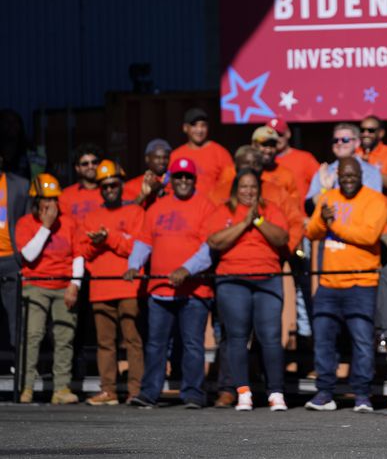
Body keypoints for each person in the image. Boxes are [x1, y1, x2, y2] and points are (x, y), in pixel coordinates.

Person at [125, 157, 216, 409]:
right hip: (159, 290)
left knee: (192, 344)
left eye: (188, 177)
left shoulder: (206, 206)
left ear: (194, 180)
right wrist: (133, 265)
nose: (183, 181)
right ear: (171, 180)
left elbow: (209, 249)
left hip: (194, 291)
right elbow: (144, 241)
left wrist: (186, 269)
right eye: (178, 176)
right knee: (155, 344)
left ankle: (193, 393)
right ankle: (149, 392)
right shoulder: (157, 207)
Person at [304, 157, 387, 413]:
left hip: (362, 282)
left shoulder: (375, 200)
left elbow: (368, 235)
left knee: (362, 341)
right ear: (337, 175)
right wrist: (322, 220)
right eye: (344, 175)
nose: (348, 179)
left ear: (360, 174)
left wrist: (334, 224)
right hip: (329, 283)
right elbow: (312, 232)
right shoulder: (328, 197)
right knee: (323, 340)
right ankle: (324, 393)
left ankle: (362, 395)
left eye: (352, 175)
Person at [206, 168, 289, 412]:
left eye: (253, 187)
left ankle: (276, 392)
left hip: (267, 278)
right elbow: (215, 240)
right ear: (235, 189)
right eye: (244, 186)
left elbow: (282, 238)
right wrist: (244, 223)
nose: (249, 191)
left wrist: (258, 220)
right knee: (237, 337)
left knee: (271, 337)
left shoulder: (270, 209)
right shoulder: (224, 210)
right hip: (232, 280)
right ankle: (243, 391)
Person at [79, 160, 145, 405]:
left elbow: (138, 247)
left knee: (132, 340)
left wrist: (110, 237)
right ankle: (108, 390)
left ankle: (135, 390)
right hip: (100, 287)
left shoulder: (135, 212)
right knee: (104, 343)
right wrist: (97, 242)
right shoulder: (91, 216)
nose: (109, 190)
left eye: (113, 185)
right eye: (104, 186)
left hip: (128, 285)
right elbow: (83, 251)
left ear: (121, 184)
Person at [16, 173, 83, 404]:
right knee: (33, 335)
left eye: (55, 199)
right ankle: (25, 387)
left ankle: (61, 389)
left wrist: (75, 284)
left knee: (64, 336)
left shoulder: (70, 223)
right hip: (35, 284)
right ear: (36, 202)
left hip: (64, 284)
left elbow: (79, 255)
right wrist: (45, 227)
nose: (52, 204)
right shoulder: (25, 223)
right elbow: (28, 254)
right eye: (46, 199)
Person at [306, 123, 382, 205]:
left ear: (357, 143)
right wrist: (325, 189)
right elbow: (309, 207)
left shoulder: (371, 172)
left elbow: (375, 204)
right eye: (335, 140)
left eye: (345, 140)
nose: (339, 143)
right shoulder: (324, 172)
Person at [169, 108, 233, 197]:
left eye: (203, 125)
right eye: (194, 125)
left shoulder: (221, 153)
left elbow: (229, 184)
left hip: (213, 209)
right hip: (184, 208)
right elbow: (169, 186)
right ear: (185, 128)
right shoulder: (175, 155)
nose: (199, 130)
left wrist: (212, 205)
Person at [0, 155, 28, 352]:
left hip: (11, 258)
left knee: (15, 315)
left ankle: (18, 364)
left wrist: (22, 256)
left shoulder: (20, 185)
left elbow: (27, 222)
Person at [269, 117, 320, 200]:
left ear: (288, 133)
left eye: (279, 134)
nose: (276, 138)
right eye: (271, 135)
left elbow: (321, 185)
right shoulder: (263, 162)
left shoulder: (305, 158)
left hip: (299, 212)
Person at [58, 142, 104, 223]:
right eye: (85, 164)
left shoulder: (109, 191)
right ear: (77, 168)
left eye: (94, 162)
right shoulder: (65, 195)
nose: (90, 166)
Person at [357, 115, 387, 190]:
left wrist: (367, 168)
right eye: (362, 130)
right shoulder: (354, 152)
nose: (365, 134)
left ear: (381, 133)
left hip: (382, 200)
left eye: (371, 130)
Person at [123, 139, 172, 209]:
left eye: (165, 157)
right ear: (147, 159)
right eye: (157, 157)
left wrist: (159, 190)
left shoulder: (176, 182)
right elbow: (127, 214)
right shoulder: (131, 186)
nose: (162, 161)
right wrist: (143, 195)